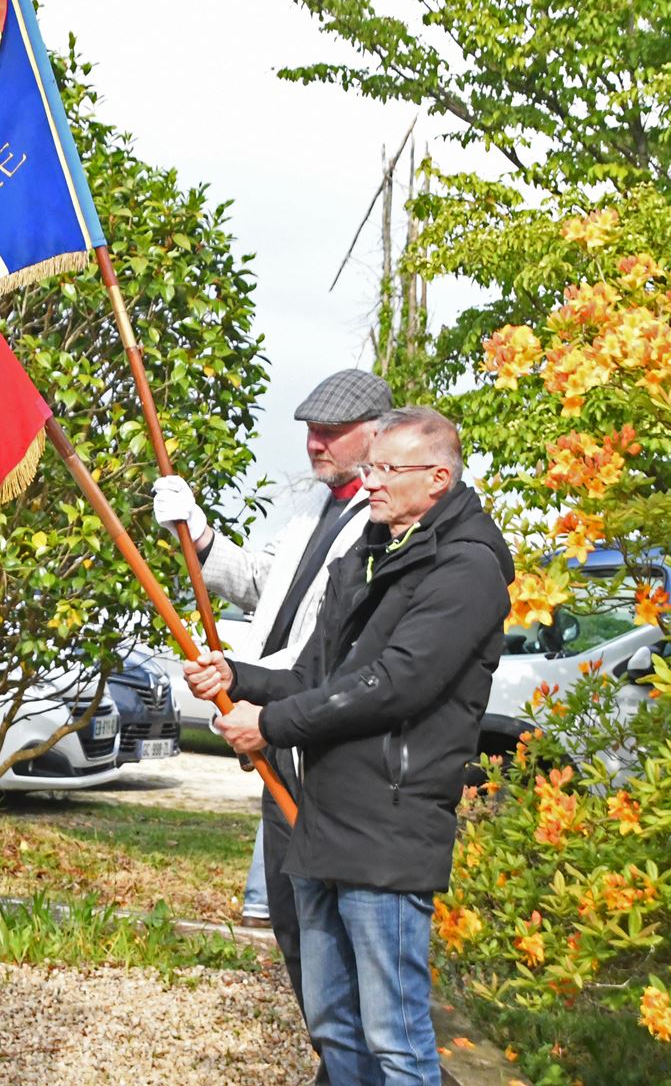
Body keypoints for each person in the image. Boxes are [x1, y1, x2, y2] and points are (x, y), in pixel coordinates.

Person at [181, 406, 513, 1086]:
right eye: (370, 467)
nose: (373, 483)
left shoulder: (467, 568)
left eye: (389, 469)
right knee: (333, 1025)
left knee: (395, 1041)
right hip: (323, 817)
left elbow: (394, 685)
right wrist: (238, 677)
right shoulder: (365, 553)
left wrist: (271, 725)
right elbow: (319, 677)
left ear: (438, 478)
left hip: (388, 832)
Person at [153, 367, 392, 1077]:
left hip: (319, 739)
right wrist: (200, 536)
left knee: (330, 926)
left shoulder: (384, 523)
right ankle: (336, 1060)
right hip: (274, 732)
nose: (315, 443)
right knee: (292, 918)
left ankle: (352, 1066)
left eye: (331, 432)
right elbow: (264, 585)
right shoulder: (313, 509)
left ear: (377, 434)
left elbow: (330, 651)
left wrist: (249, 687)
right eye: (310, 431)